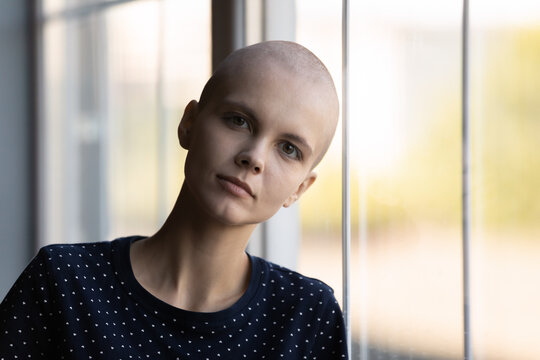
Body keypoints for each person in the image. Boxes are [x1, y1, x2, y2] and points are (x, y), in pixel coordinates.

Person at [0, 41, 347, 359]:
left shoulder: (308, 317)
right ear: (189, 124)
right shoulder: (63, 282)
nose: (254, 157)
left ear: (300, 188)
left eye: (289, 149)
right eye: (238, 121)